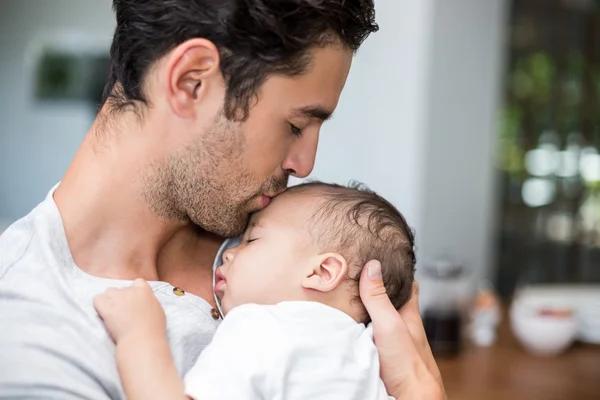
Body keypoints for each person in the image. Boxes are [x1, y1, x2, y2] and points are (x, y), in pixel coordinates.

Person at [0, 1, 446, 399]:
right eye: (295, 125)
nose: (305, 164)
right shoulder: (32, 341)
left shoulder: (281, 232)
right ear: (191, 82)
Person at [94, 182, 416, 400]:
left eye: (252, 240)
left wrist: (140, 336)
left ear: (322, 272)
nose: (229, 253)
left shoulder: (261, 327)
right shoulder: (371, 354)